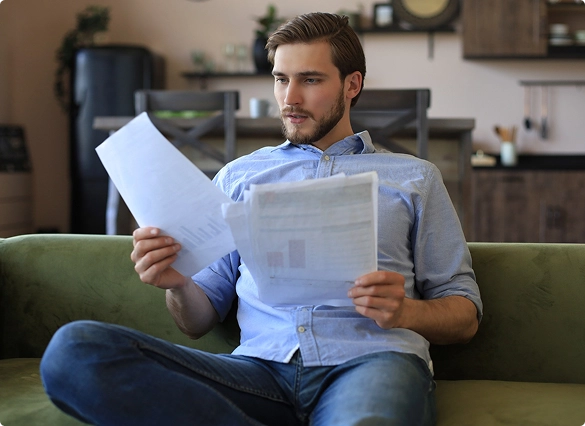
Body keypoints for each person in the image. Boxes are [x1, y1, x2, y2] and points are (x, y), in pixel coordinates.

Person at [41, 12, 482, 426]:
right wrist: (177, 282)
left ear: (352, 84)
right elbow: (195, 321)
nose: (289, 98)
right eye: (280, 79)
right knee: (74, 351)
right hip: (257, 372)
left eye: (310, 80)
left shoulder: (415, 178)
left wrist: (406, 311)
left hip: (372, 364)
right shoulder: (238, 176)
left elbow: (464, 314)